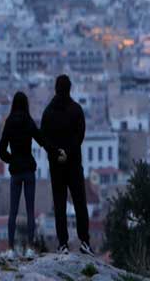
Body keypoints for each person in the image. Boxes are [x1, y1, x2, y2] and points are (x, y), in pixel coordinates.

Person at [41, 75, 93, 256]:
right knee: (80, 202)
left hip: (56, 166)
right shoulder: (76, 110)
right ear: (70, 89)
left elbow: (43, 138)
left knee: (59, 204)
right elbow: (80, 135)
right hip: (73, 163)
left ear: (56, 89)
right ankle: (84, 241)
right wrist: (68, 152)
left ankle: (62, 243)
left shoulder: (48, 112)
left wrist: (57, 153)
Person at [0, 92, 49, 259]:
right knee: (30, 210)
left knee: (13, 211)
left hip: (16, 171)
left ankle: (10, 249)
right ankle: (30, 248)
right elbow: (41, 140)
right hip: (28, 170)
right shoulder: (28, 121)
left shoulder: (9, 122)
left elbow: (1, 149)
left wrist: (11, 159)